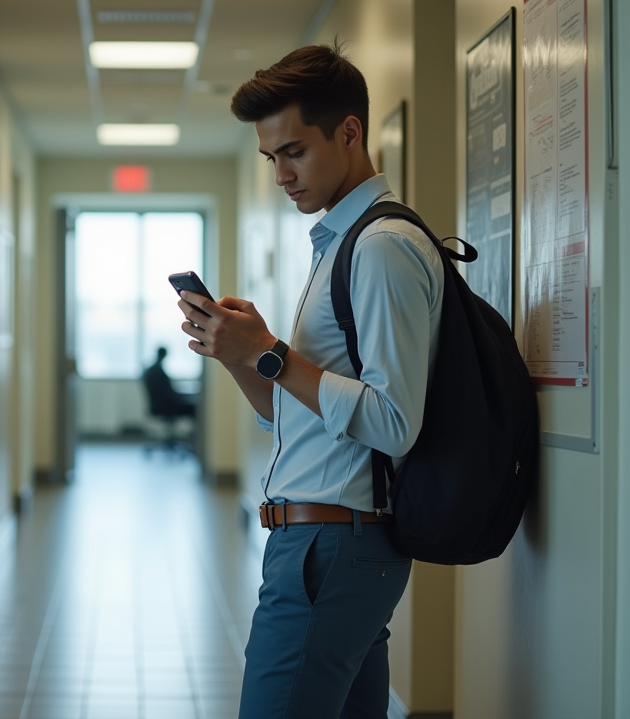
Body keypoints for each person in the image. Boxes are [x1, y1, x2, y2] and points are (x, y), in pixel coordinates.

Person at [175, 43, 444, 718]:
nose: (281, 175)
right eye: (271, 158)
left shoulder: (380, 248)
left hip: (332, 547)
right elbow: (292, 413)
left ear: (349, 133)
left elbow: (393, 420)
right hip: (325, 543)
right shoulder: (342, 246)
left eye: (294, 151)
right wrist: (240, 354)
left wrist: (271, 351)